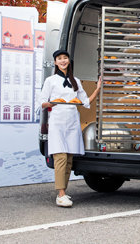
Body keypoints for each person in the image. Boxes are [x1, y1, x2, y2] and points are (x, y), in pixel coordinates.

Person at [40, 50, 101, 207]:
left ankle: (64, 192)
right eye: (59, 59)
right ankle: (60, 195)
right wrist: (52, 103)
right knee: (60, 157)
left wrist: (98, 88)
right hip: (57, 122)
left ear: (69, 61)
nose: (62, 61)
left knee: (68, 160)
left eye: (65, 58)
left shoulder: (76, 81)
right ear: (55, 62)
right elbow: (41, 102)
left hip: (72, 122)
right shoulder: (50, 80)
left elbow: (85, 102)